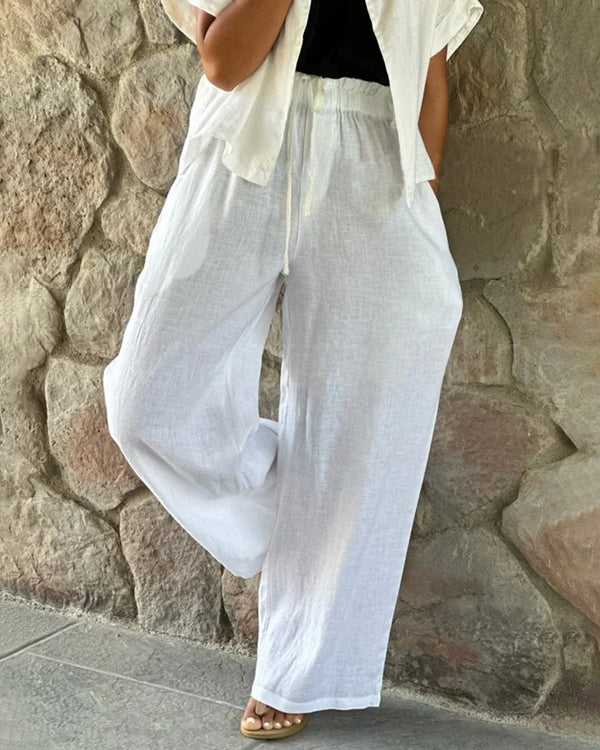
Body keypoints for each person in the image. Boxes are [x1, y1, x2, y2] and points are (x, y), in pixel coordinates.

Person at [103, 0, 484, 740]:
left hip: (376, 155)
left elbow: (430, 70)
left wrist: (421, 195)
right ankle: (312, 500)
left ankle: (294, 672)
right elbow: (225, 61)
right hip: (246, 143)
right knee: (145, 401)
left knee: (367, 413)